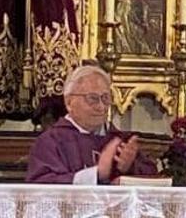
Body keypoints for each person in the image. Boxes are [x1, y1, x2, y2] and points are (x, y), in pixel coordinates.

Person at [26, 65, 157, 184]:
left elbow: (152, 181)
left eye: (105, 98)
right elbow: (41, 187)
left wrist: (130, 167)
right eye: (93, 98)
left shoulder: (120, 141)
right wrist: (95, 174)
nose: (101, 107)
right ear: (69, 102)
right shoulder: (51, 142)